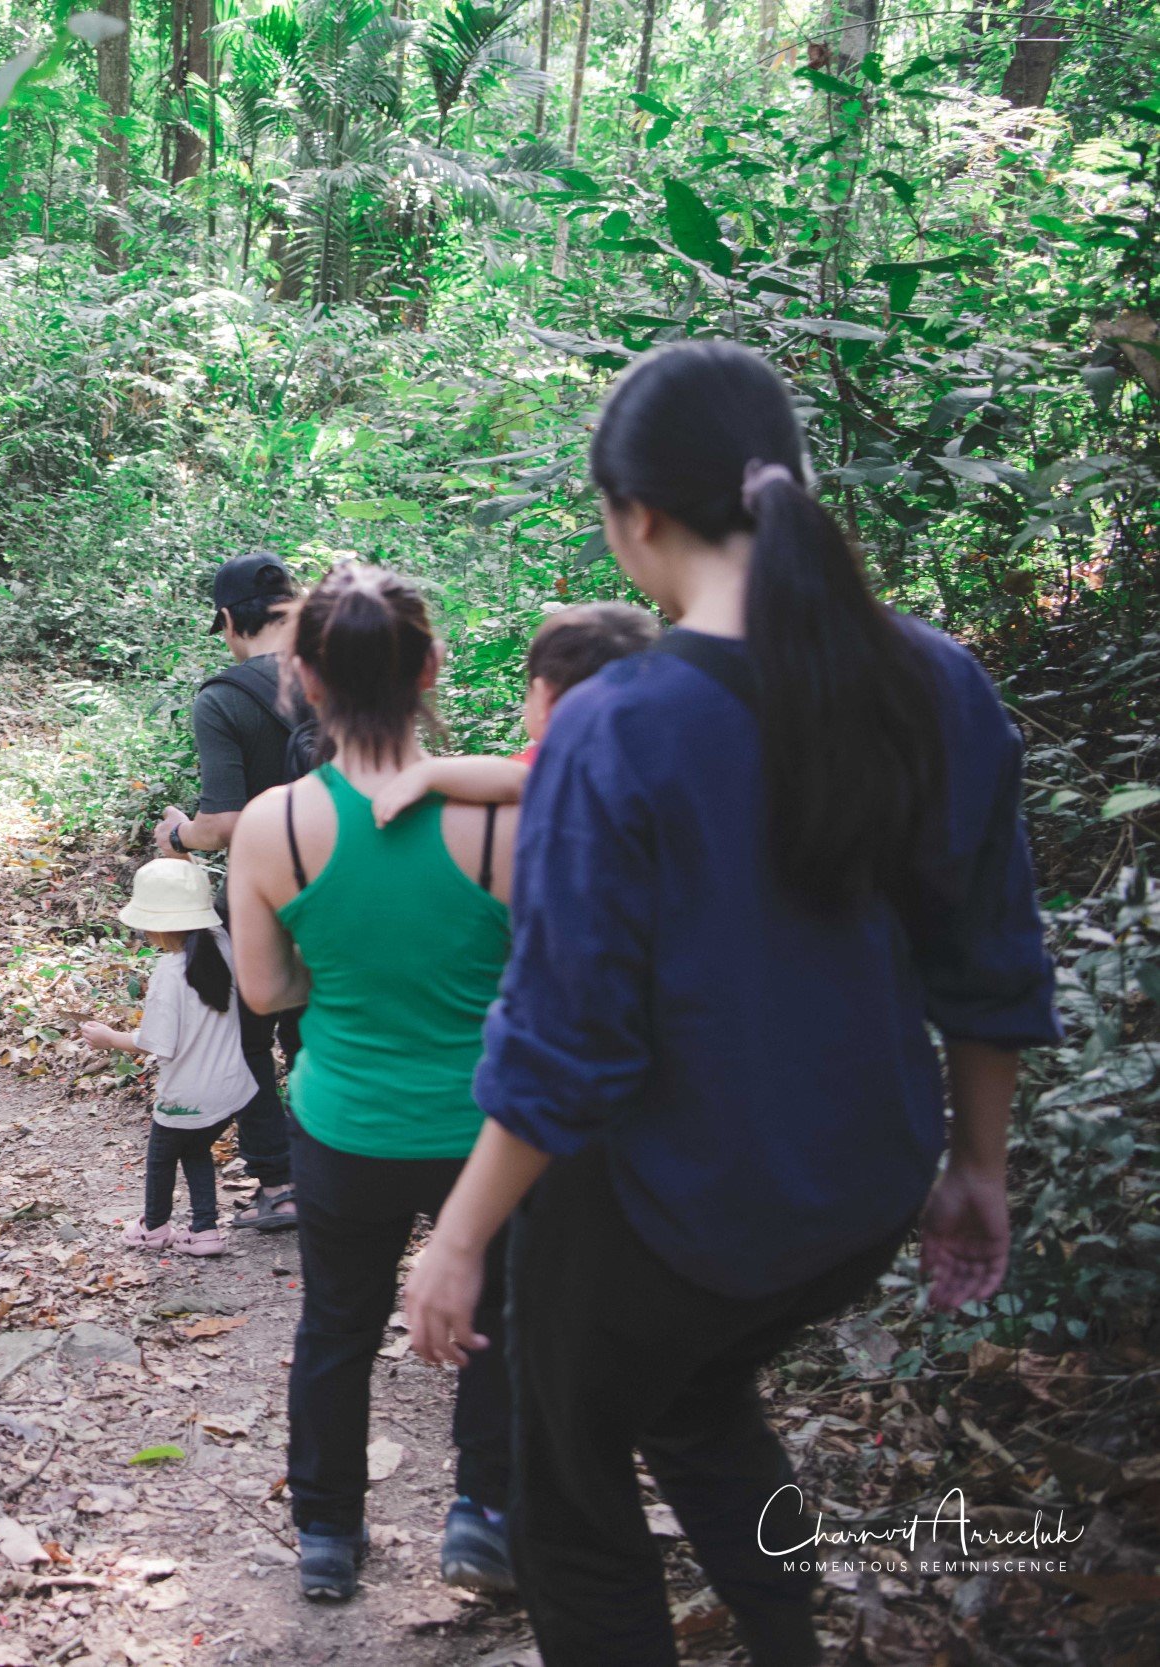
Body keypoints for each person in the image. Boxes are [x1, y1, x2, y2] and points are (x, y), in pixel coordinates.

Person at [400, 340, 1058, 1667]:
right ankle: (783, 1634)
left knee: (569, 1485)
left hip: (676, 1206)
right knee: (694, 1395)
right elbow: (989, 956)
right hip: (861, 1194)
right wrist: (977, 1167)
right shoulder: (939, 680)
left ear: (636, 515)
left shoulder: (621, 722)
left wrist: (459, 1238)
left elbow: (568, 1039)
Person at [225, 564, 521, 1604]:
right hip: (488, 1131)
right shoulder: (504, 818)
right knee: (497, 1317)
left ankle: (326, 1529)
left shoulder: (273, 825)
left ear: (303, 677)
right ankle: (483, 1513)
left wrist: (342, 966)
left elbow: (265, 990)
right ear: (430, 666)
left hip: (344, 1121)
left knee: (337, 1323)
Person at [151, 551, 307, 1234]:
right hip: (345, 884)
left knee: (241, 1034)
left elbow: (223, 823)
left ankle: (280, 1181)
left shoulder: (224, 697)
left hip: (261, 895)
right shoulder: (339, 677)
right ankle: (333, 1173)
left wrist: (179, 833)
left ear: (227, 619)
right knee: (320, 1032)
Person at [79, 859, 259, 1257]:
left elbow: (157, 1042)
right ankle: (205, 1231)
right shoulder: (223, 945)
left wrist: (110, 1039)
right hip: (231, 1088)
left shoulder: (170, 972)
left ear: (159, 926)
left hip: (185, 1096)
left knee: (161, 1160)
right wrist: (181, 856)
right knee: (196, 1151)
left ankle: (155, 1227)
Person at [368, 601, 660, 828]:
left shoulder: (554, 768)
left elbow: (518, 779)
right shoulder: (662, 759)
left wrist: (429, 772)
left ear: (544, 697)